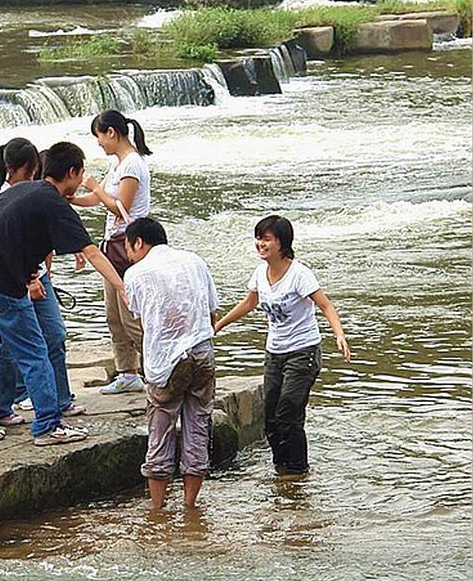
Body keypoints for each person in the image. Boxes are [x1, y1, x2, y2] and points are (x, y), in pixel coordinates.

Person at [0, 141, 126, 448]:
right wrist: (122, 288)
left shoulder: (17, 190)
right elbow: (92, 253)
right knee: (36, 351)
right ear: (72, 173)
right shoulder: (53, 203)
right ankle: (48, 425)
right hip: (0, 285)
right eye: (81, 173)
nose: (80, 181)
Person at [214, 215, 351, 477]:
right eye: (258, 238)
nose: (260, 244)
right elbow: (248, 303)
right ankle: (282, 470)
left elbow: (326, 305)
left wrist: (339, 335)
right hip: (274, 353)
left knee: (289, 413)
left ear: (282, 243)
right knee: (272, 419)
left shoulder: (299, 274)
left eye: (266, 239)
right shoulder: (260, 273)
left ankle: (298, 472)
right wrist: (219, 325)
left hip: (303, 352)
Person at [0, 140, 85, 428]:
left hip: (37, 277)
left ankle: (59, 399)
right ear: (12, 171)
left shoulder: (32, 193)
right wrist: (29, 282)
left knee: (54, 335)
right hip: (18, 280)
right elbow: (10, 248)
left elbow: (45, 238)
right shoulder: (7, 198)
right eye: (30, 173)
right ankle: (4, 406)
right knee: (14, 346)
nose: (33, 180)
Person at [123, 217, 220, 510]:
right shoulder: (195, 261)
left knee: (161, 433)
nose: (128, 253)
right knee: (197, 428)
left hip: (165, 362)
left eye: (128, 246)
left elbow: (142, 321)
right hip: (202, 352)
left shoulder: (135, 273)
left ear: (138, 242)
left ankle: (157, 510)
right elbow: (212, 312)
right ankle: (190, 507)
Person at [71, 109, 152, 395]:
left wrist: (94, 186)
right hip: (112, 248)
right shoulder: (118, 165)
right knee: (113, 316)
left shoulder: (132, 165)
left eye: (99, 136)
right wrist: (71, 198)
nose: (98, 143)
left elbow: (122, 208)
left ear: (112, 133)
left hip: (128, 249)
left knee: (131, 315)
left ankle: (156, 367)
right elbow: (98, 198)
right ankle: (127, 372)